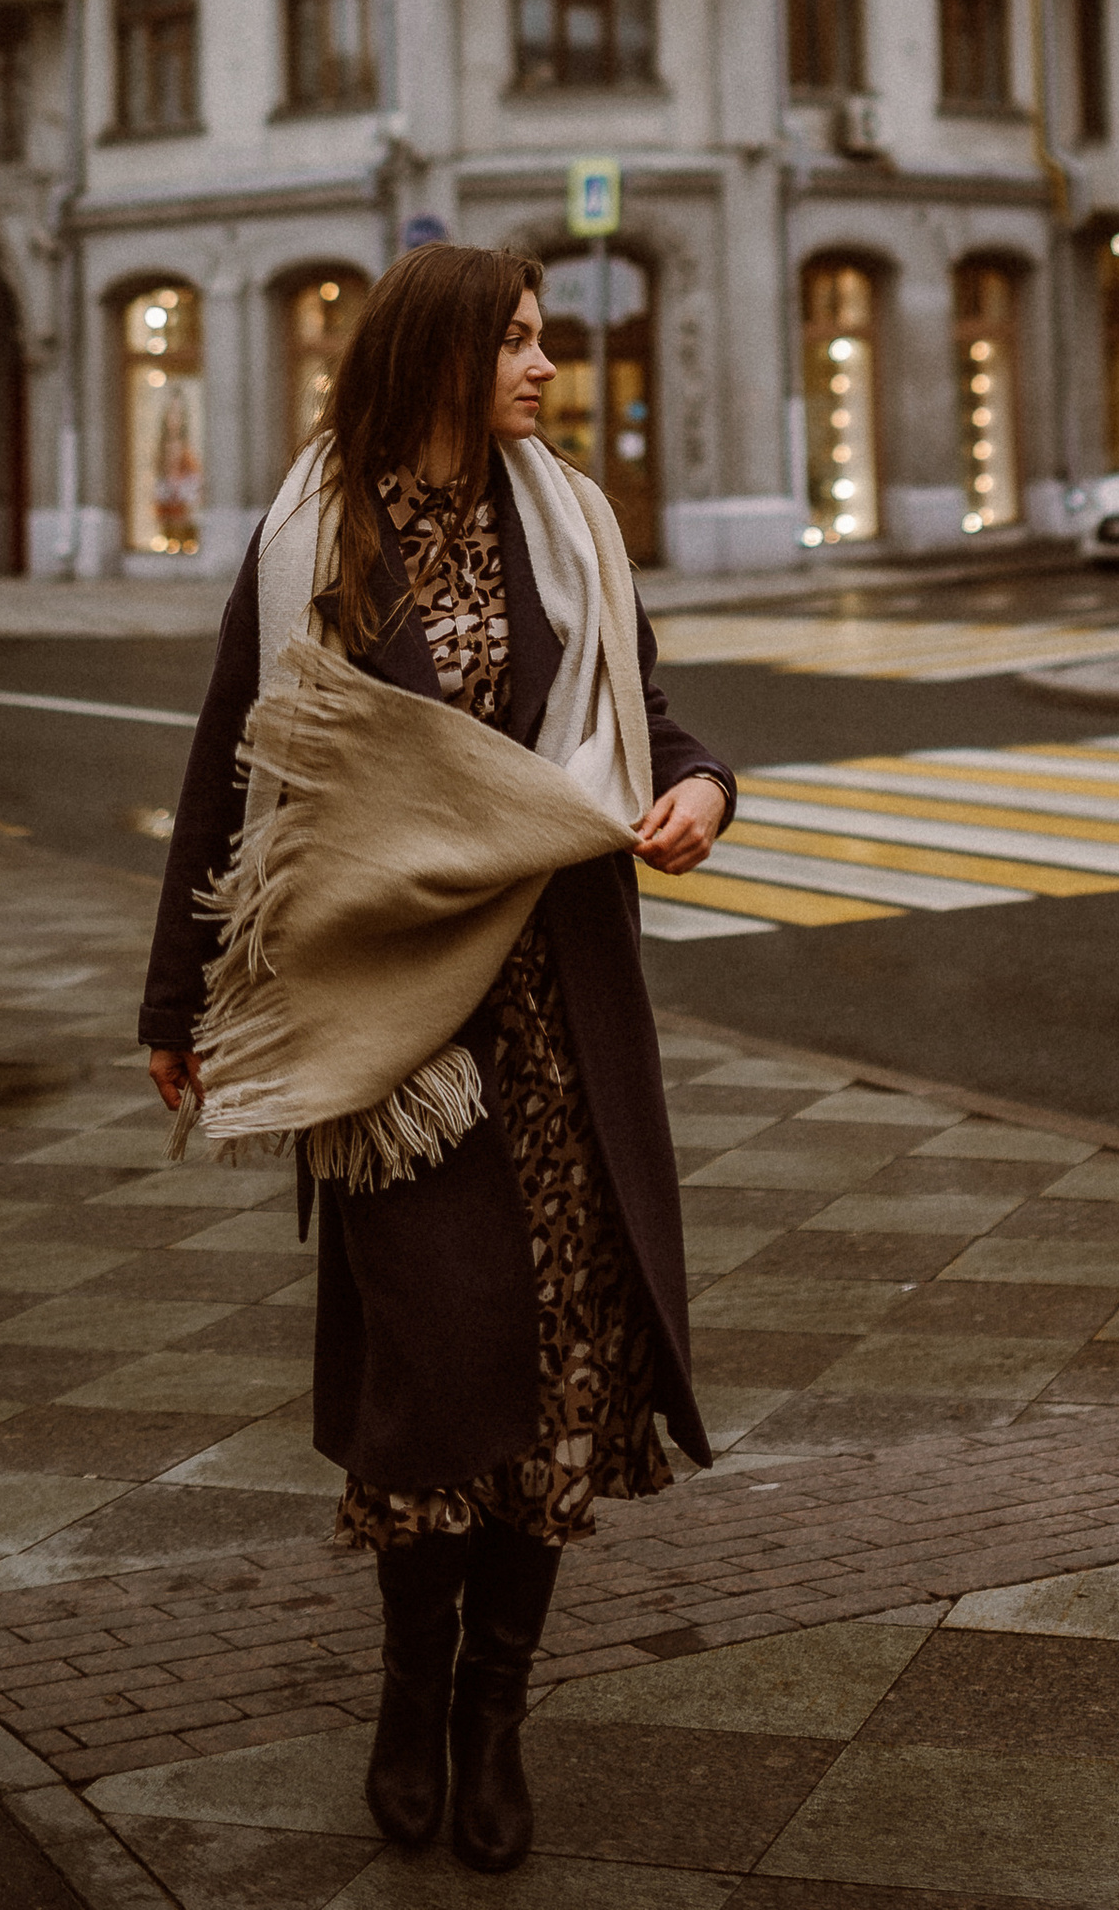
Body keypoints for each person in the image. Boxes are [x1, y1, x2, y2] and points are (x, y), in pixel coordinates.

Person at [139, 244, 732, 1877]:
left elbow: (651, 719)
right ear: (442, 353)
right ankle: (410, 1685)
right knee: (437, 1374)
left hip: (563, 1025)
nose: (545, 368)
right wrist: (176, 1005)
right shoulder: (314, 539)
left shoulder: (575, 529)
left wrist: (704, 792)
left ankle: (493, 1714)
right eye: (518, 342)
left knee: (554, 1383)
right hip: (395, 1042)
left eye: (546, 340)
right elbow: (229, 765)